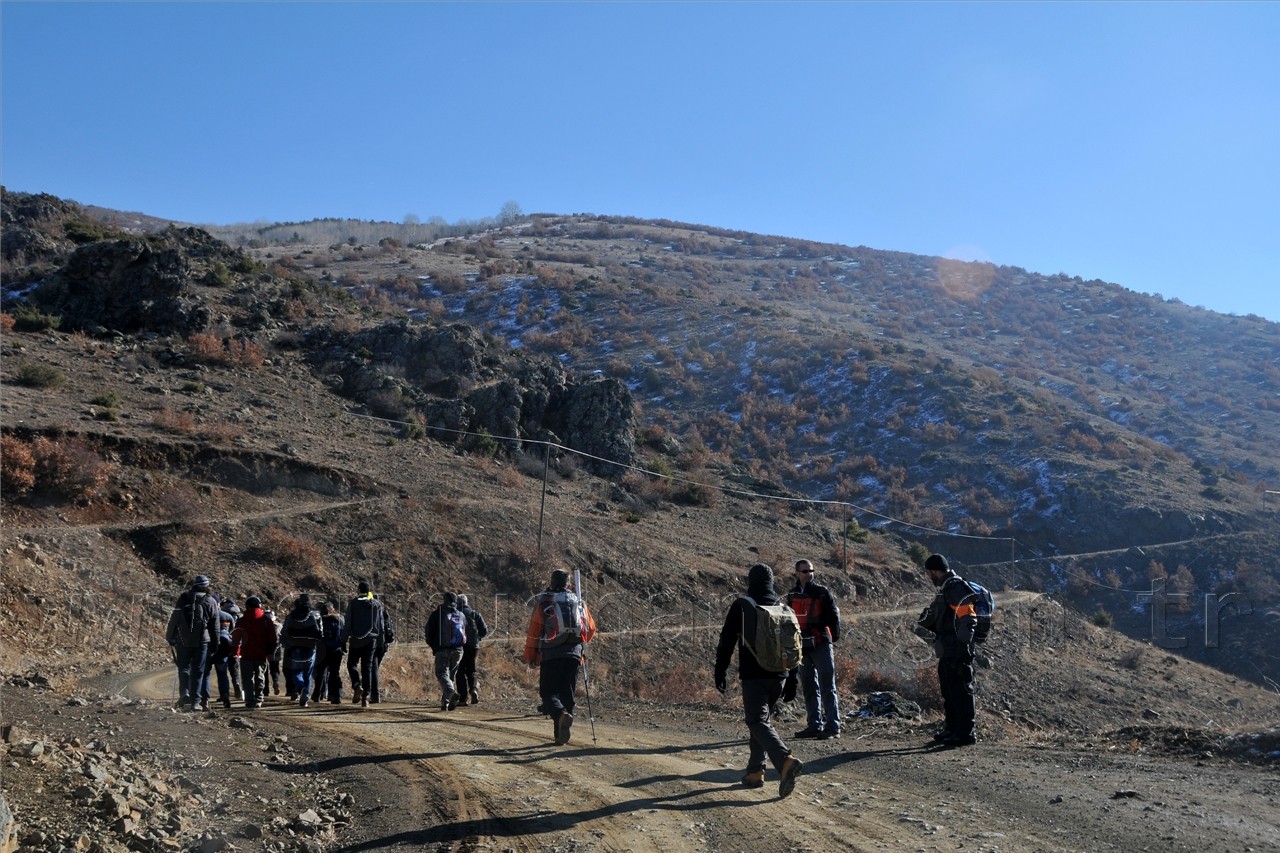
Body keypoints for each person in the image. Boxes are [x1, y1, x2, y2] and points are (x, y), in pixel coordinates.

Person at [714, 563, 804, 798]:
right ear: (771, 581)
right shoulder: (783, 607)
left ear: (751, 581)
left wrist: (720, 670)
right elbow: (794, 645)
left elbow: (727, 641)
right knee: (762, 722)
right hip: (781, 676)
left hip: (754, 675)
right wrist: (793, 678)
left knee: (756, 720)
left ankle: (784, 760)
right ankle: (755, 772)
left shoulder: (743, 605)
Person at [523, 568, 597, 745]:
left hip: (551, 654)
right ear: (568, 584)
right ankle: (560, 734)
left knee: (548, 693)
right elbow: (591, 628)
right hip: (574, 654)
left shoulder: (545, 602)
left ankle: (560, 715)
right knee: (567, 694)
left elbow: (534, 632)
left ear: (551, 582)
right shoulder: (578, 602)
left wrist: (531, 655)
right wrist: (581, 646)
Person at [914, 553, 979, 747]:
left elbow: (969, 618)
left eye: (928, 573)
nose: (928, 577)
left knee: (961, 691)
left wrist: (963, 646)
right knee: (949, 691)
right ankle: (952, 729)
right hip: (948, 649)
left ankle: (965, 733)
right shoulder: (946, 589)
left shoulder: (955, 587)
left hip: (957, 649)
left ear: (935, 571)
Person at [786, 558, 843, 740]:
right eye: (805, 571)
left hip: (820, 643)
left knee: (827, 686)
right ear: (797, 573)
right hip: (802, 645)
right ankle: (814, 725)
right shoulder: (792, 594)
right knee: (809, 686)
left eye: (811, 571)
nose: (809, 574)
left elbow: (833, 615)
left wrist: (830, 636)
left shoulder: (822, 592)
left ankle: (833, 727)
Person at [165, 574, 221, 712]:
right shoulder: (210, 601)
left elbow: (175, 618)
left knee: (183, 668)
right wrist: (215, 644)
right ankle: (196, 702)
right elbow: (215, 626)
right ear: (207, 586)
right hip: (202, 641)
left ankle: (184, 694)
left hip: (182, 640)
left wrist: (170, 637)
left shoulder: (184, 598)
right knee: (198, 671)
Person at [345, 578, 389, 708]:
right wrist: (381, 642)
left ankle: (357, 686)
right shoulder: (376, 604)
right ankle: (366, 698)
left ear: (358, 591)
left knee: (351, 664)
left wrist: (343, 640)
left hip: (355, 640)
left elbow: (347, 623)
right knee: (367, 667)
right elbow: (380, 625)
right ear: (369, 591)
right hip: (371, 640)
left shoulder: (353, 603)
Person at [231, 595, 278, 710]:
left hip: (246, 653)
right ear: (259, 606)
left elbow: (236, 638)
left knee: (247, 679)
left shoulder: (241, 621)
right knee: (260, 677)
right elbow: (273, 638)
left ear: (247, 607)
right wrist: (271, 651)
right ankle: (259, 698)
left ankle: (250, 701)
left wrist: (235, 651)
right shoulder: (266, 621)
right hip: (262, 654)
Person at [280, 594, 324, 708]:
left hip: (294, 647)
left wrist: (284, 643)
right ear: (310, 602)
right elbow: (320, 633)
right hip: (310, 647)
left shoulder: (291, 615)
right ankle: (305, 698)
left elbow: (284, 631)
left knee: (296, 672)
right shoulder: (315, 615)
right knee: (307, 673)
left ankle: (301, 688)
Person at [426, 592, 467, 711]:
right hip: (458, 650)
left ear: (444, 600)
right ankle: (445, 702)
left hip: (443, 649)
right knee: (450, 677)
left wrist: (434, 646)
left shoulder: (437, 614)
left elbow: (429, 631)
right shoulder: (460, 614)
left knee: (442, 673)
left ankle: (451, 693)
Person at [455, 594, 489, 704]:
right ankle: (474, 689)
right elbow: (484, 630)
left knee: (460, 672)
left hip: (459, 645)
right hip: (473, 646)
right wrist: (477, 638)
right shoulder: (475, 614)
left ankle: (463, 698)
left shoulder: (455, 614)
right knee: (472, 669)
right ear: (466, 602)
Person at [311, 601, 346, 705]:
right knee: (335, 673)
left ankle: (317, 695)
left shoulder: (320, 620)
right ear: (333, 609)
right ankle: (336, 695)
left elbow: (317, 634)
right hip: (337, 650)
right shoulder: (340, 619)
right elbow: (343, 633)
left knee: (320, 673)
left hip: (323, 649)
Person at [210, 610, 238, 709]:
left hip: (210, 645)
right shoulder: (228, 616)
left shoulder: (209, 614)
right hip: (225, 644)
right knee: (222, 673)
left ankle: (203, 697)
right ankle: (225, 694)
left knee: (204, 673)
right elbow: (233, 631)